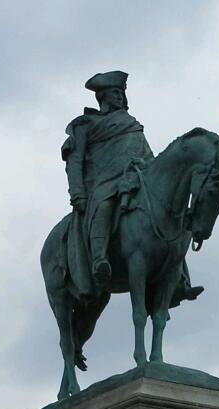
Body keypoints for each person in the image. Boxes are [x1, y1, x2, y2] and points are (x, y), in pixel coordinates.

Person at [61, 71, 152, 287]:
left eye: (121, 93)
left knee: (165, 210)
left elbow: (147, 154)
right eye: (114, 92)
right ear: (102, 96)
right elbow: (75, 161)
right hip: (104, 183)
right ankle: (99, 259)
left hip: (136, 179)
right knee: (104, 205)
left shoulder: (130, 123)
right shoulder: (86, 123)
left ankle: (179, 279)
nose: (119, 97)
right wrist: (78, 193)